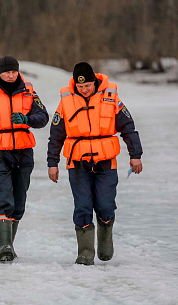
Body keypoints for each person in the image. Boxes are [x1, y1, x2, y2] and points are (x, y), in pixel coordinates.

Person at [47, 62, 143, 265]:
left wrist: (135, 154)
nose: (84, 90)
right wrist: (52, 163)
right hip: (77, 163)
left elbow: (128, 127)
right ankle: (85, 254)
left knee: (106, 205)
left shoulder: (110, 98)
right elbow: (56, 135)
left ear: (94, 82)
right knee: (82, 206)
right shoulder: (66, 101)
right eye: (80, 87)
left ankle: (105, 241)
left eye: (87, 86)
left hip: (106, 163)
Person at [0, 56, 49, 262]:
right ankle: (4, 247)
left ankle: (9, 245)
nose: (11, 75)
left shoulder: (28, 90)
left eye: (14, 72)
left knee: (18, 204)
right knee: (2, 199)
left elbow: (43, 117)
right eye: (7, 72)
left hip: (24, 152)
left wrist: (26, 119)